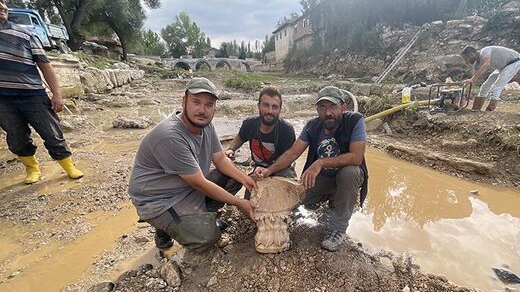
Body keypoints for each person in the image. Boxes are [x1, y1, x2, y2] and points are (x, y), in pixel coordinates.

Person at [128, 77, 257, 251]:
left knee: (232, 176)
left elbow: (220, 158)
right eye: (196, 102)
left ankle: (197, 218)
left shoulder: (206, 126)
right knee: (207, 237)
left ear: (214, 108)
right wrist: (239, 202)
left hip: (186, 187)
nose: (202, 110)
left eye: (209, 105)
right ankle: (164, 229)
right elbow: (199, 183)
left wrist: (245, 179)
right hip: (160, 200)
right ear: (184, 102)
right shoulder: (170, 136)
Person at [255, 86, 368, 252]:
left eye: (333, 106)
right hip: (323, 178)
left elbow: (356, 157)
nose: (328, 112)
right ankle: (331, 201)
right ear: (317, 109)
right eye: (323, 107)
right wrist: (268, 171)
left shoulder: (355, 121)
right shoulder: (312, 126)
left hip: (346, 177)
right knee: (301, 202)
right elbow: (293, 153)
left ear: (343, 107)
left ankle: (338, 228)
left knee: (350, 172)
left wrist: (320, 163)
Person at [0, 0, 83, 184]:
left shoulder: (24, 34)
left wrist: (57, 94)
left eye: (3, 2)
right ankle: (32, 168)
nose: (2, 6)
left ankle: (68, 166)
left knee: (52, 132)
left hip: (33, 95)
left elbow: (45, 66)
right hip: (2, 100)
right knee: (16, 136)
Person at [219, 85, 296, 195]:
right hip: (258, 169)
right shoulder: (249, 124)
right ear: (258, 106)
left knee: (291, 196)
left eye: (275, 107)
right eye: (266, 105)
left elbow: (287, 158)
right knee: (233, 179)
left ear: (280, 109)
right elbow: (240, 137)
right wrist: (231, 149)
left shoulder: (286, 130)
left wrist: (269, 171)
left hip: (280, 169)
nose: (270, 111)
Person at [461, 45, 520, 111]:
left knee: (496, 87)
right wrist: (464, 96)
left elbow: (486, 64)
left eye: (466, 58)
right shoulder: (476, 64)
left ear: (471, 54)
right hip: (502, 67)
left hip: (514, 62)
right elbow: (473, 80)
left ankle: (490, 110)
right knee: (485, 86)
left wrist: (473, 79)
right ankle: (476, 109)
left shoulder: (485, 51)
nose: (466, 61)